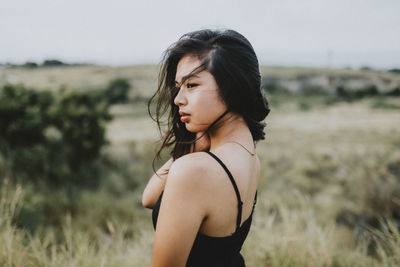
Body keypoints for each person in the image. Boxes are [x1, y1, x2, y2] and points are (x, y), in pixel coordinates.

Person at [142, 28, 270, 267]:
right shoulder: (250, 159)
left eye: (191, 85)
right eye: (178, 86)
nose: (178, 98)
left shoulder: (196, 171)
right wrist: (193, 148)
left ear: (232, 88)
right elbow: (149, 198)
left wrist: (190, 158)